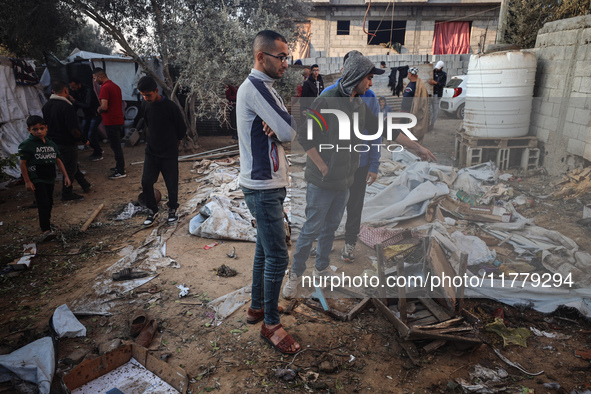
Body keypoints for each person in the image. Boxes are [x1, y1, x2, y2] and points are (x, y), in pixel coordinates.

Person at [282, 51, 384, 296]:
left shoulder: (358, 103)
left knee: (330, 228)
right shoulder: (326, 100)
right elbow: (305, 137)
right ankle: (294, 274)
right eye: (369, 77)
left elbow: (380, 128)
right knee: (311, 229)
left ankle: (322, 268)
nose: (371, 83)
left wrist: (417, 146)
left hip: (345, 182)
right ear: (357, 76)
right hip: (322, 182)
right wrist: (323, 166)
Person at [237, 30, 299, 355]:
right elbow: (290, 130)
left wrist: (281, 127)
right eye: (281, 57)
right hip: (263, 186)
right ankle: (271, 324)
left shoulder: (263, 89)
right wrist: (282, 128)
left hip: (264, 184)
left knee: (264, 249)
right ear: (262, 57)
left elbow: (285, 128)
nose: (286, 63)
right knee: (278, 255)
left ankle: (257, 306)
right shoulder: (257, 88)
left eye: (287, 57)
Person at [137, 76, 187, 227]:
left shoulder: (170, 107)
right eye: (143, 95)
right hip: (151, 152)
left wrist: (177, 139)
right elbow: (147, 122)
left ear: (156, 91)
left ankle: (172, 209)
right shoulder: (145, 105)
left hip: (169, 153)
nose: (146, 98)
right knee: (146, 182)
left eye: (149, 95)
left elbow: (181, 128)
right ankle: (152, 210)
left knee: (171, 183)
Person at [19, 116, 71, 242]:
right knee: (43, 203)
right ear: (29, 130)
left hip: (49, 177)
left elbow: (58, 160)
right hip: (37, 178)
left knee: (49, 202)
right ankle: (46, 230)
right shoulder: (27, 145)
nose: (39, 131)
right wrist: (27, 181)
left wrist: (66, 176)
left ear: (46, 128)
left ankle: (47, 224)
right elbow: (23, 163)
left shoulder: (50, 143)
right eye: (35, 129)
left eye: (41, 128)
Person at [42, 81, 91, 200]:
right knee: (70, 167)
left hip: (53, 142)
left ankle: (85, 184)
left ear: (53, 91)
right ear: (66, 91)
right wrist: (84, 140)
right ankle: (67, 193)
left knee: (71, 165)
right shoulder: (66, 106)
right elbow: (73, 129)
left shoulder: (46, 106)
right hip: (66, 142)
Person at [92, 68, 126, 179]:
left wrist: (98, 109)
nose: (95, 80)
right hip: (118, 119)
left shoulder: (105, 88)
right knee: (116, 145)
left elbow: (104, 107)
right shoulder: (115, 86)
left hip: (111, 121)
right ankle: (119, 166)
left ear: (100, 77)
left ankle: (120, 170)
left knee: (115, 146)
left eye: (95, 78)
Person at [68, 77, 103, 161]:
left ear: (78, 85)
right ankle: (93, 147)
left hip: (94, 114)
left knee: (91, 134)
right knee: (84, 132)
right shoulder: (76, 91)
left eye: (73, 87)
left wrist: (75, 101)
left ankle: (98, 152)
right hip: (87, 115)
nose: (72, 89)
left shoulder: (87, 90)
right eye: (71, 87)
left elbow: (87, 104)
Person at [401, 66, 429, 144]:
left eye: (408, 73)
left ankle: (409, 143)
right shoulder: (410, 84)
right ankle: (405, 143)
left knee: (407, 128)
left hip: (410, 111)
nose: (407, 75)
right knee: (403, 128)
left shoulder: (418, 86)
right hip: (404, 110)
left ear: (411, 74)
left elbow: (421, 99)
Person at [427, 61, 447, 128]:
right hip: (430, 93)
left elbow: (443, 84)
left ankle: (432, 124)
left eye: (438, 68)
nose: (436, 69)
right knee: (428, 109)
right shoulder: (432, 71)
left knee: (435, 110)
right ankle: (427, 123)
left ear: (441, 68)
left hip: (437, 94)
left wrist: (435, 83)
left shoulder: (444, 74)